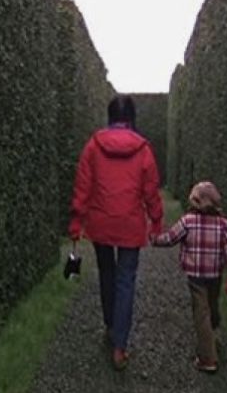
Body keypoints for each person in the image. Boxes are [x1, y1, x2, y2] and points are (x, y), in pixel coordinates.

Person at [68, 94, 163, 370]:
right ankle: (120, 347)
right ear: (131, 118)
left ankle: (110, 326)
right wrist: (156, 222)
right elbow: (151, 191)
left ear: (110, 117)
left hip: (101, 223)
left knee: (107, 275)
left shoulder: (93, 147)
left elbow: (82, 187)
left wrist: (76, 221)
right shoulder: (143, 149)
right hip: (130, 225)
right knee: (125, 282)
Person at [150, 181, 227, 373]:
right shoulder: (223, 224)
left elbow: (170, 238)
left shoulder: (188, 221)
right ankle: (212, 332)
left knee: (201, 312)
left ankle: (208, 359)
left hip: (196, 275)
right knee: (212, 305)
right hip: (215, 274)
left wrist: (154, 238)